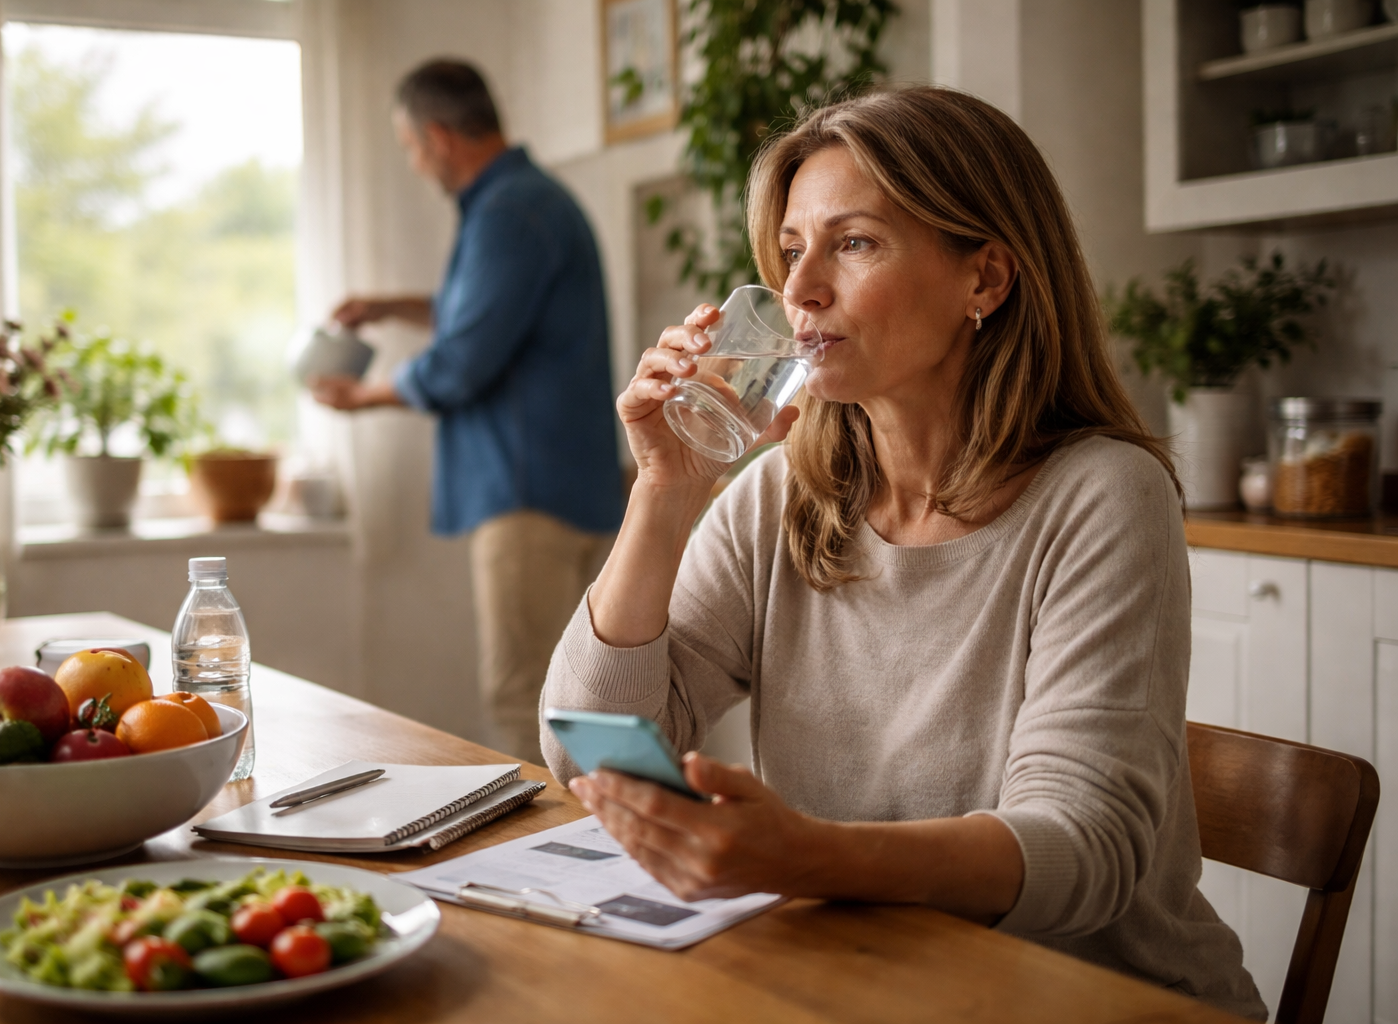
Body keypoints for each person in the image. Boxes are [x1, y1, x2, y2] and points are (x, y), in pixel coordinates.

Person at [540, 87, 1265, 1019]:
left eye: (854, 243)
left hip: (1094, 999)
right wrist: (664, 493)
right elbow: (590, 748)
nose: (799, 289)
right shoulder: (779, 497)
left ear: (986, 280)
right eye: (793, 250)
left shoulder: (1103, 495)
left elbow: (1083, 850)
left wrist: (805, 855)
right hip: (870, 979)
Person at [312, 60, 623, 764]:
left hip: (527, 499)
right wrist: (392, 307)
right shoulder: (530, 201)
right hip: (573, 486)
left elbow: (461, 360)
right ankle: (607, 854)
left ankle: (560, 869)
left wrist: (363, 397)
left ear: (440, 135)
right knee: (589, 706)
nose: (416, 164)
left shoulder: (509, 213)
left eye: (411, 148)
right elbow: (489, 316)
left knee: (527, 701)